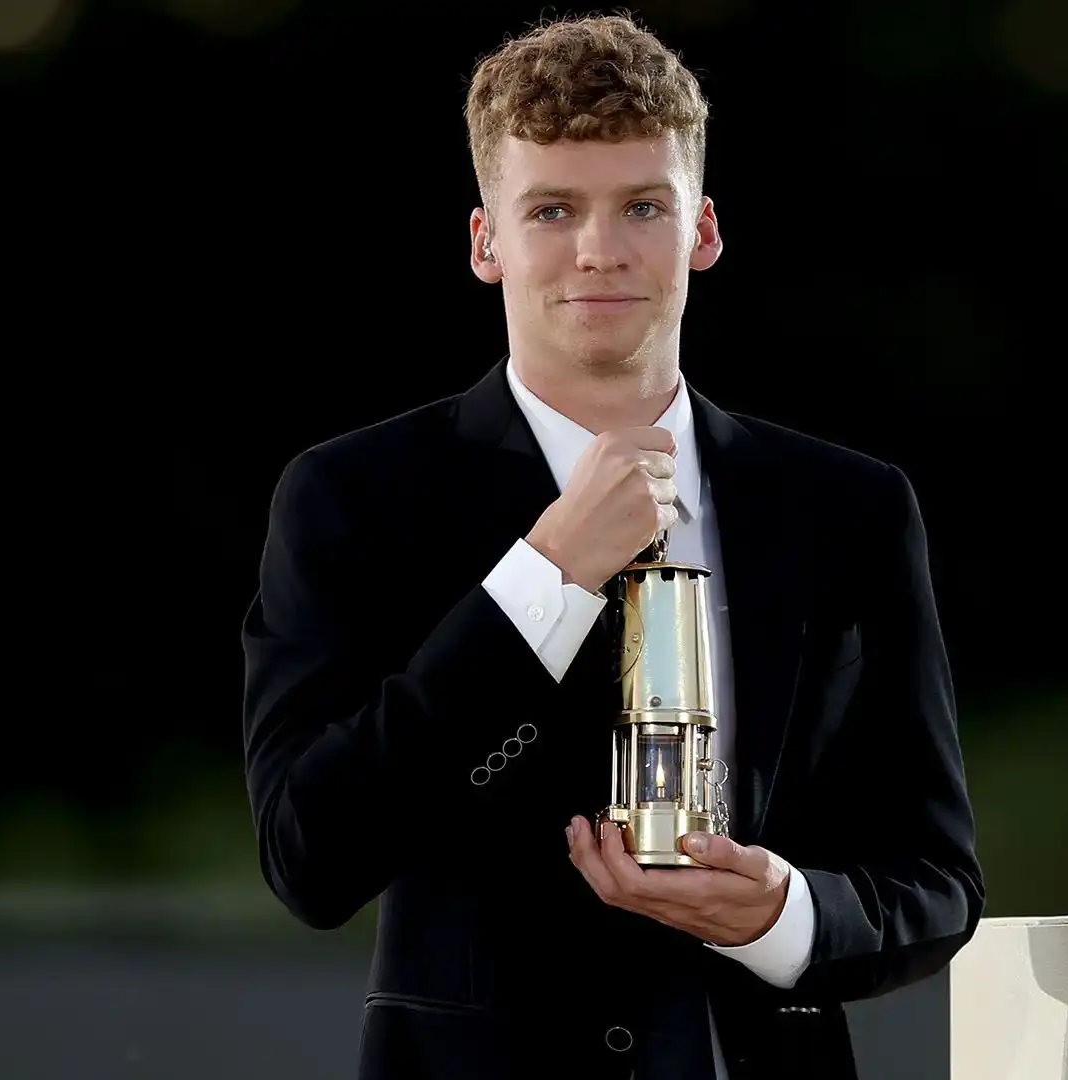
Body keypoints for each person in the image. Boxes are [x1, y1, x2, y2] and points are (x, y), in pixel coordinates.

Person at [239, 14, 982, 1080]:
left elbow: (936, 880)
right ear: (486, 242)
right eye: (552, 209)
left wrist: (783, 915)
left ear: (704, 231)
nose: (600, 248)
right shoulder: (353, 496)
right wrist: (545, 577)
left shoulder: (849, 508)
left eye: (643, 205)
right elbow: (309, 857)